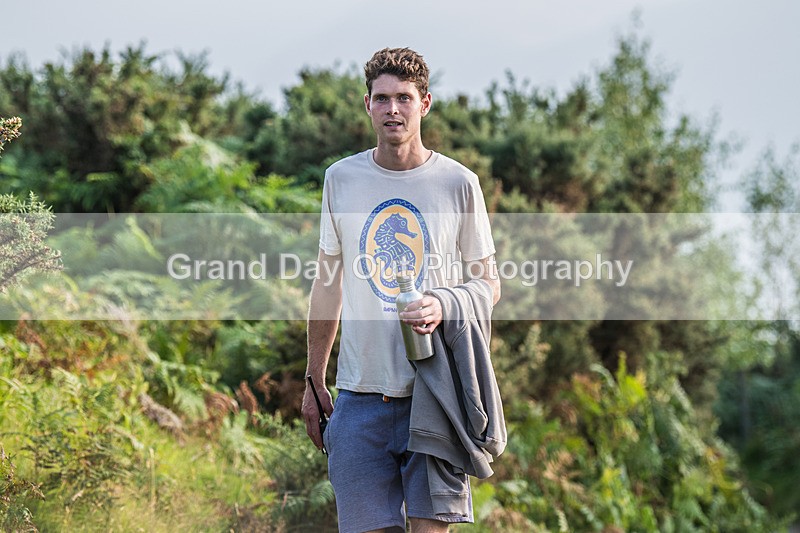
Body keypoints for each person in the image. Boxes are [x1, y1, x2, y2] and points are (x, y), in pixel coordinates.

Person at [302, 47, 501, 533]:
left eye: (404, 98)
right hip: (359, 398)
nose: (393, 108)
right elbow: (328, 285)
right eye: (383, 98)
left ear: (425, 103)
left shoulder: (458, 183)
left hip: (435, 395)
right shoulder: (342, 180)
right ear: (367, 105)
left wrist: (444, 302)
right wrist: (313, 379)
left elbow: (489, 282)